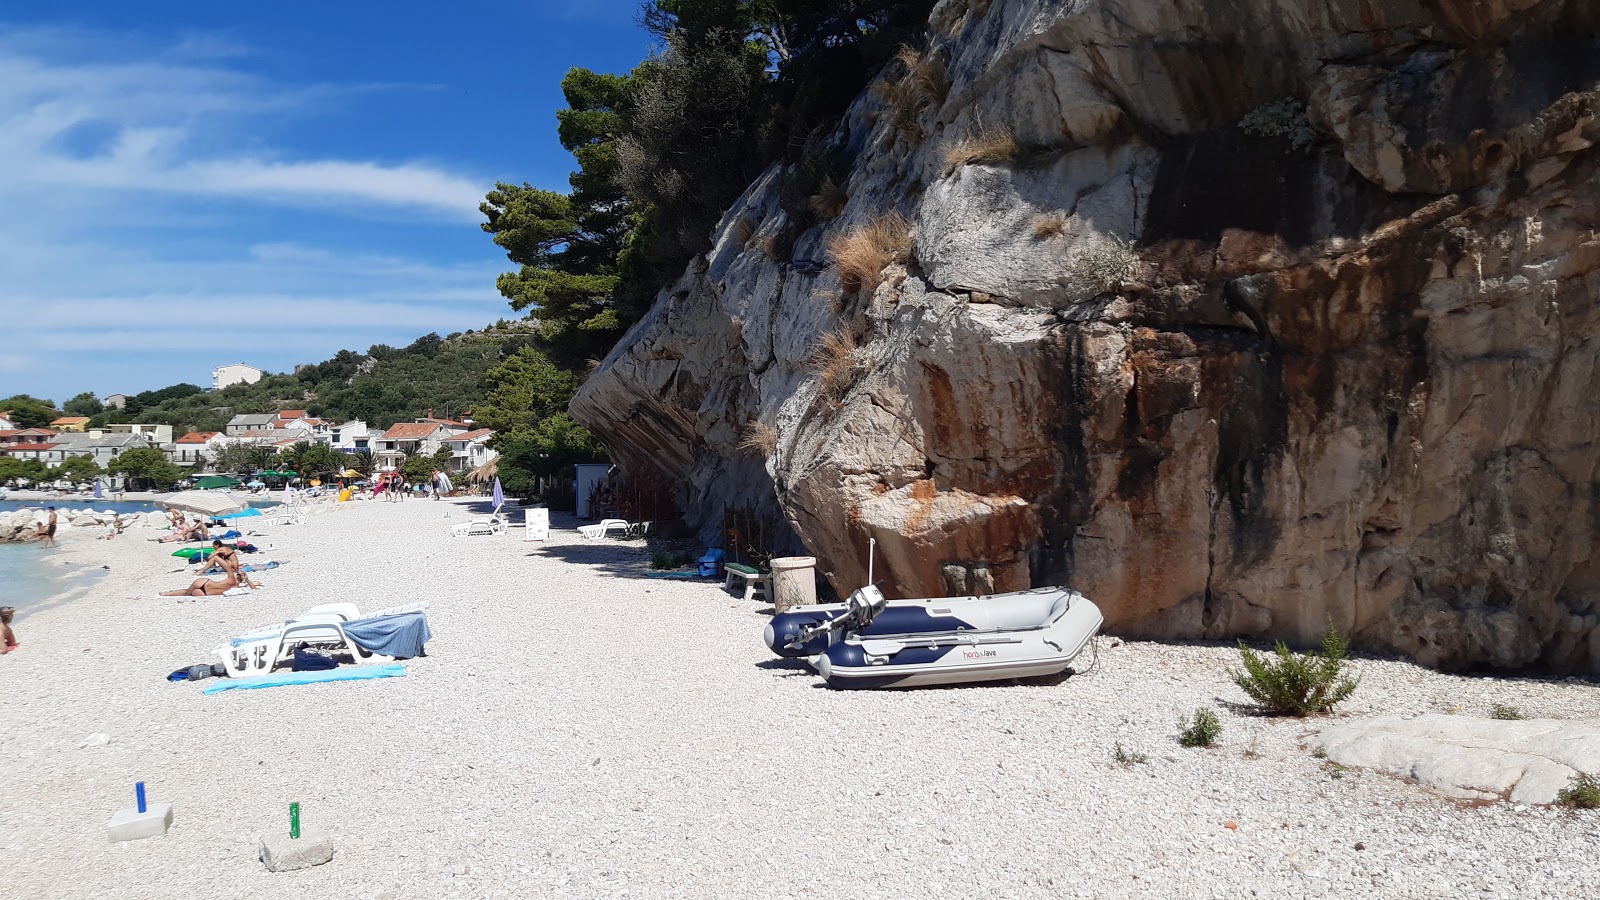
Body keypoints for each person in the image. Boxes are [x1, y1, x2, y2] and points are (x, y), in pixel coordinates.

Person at [160, 571, 241, 597]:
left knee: (186, 592)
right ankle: (168, 593)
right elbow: (253, 589)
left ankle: (167, 593)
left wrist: (237, 570)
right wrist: (247, 580)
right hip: (205, 593)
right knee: (187, 593)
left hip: (205, 582)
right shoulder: (238, 588)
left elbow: (228, 566)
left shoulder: (231, 579)